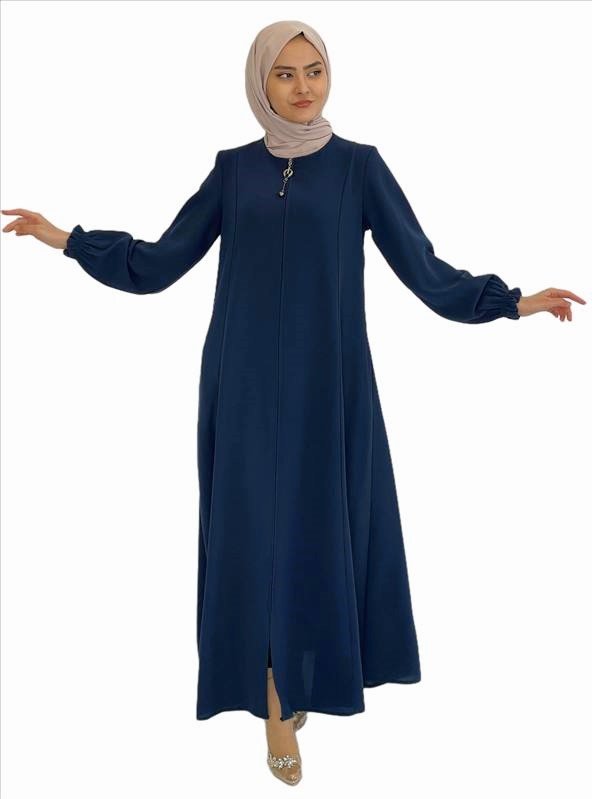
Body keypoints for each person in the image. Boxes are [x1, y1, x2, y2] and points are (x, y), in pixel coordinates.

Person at [2, 19, 585, 788]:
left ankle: (299, 670)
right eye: (284, 74)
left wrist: (512, 301)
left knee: (316, 534)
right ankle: (274, 695)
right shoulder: (233, 171)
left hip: (328, 387)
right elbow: (159, 262)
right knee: (253, 538)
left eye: (314, 70)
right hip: (241, 385)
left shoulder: (359, 167)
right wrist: (68, 238)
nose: (303, 87)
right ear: (260, 85)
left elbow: (424, 268)